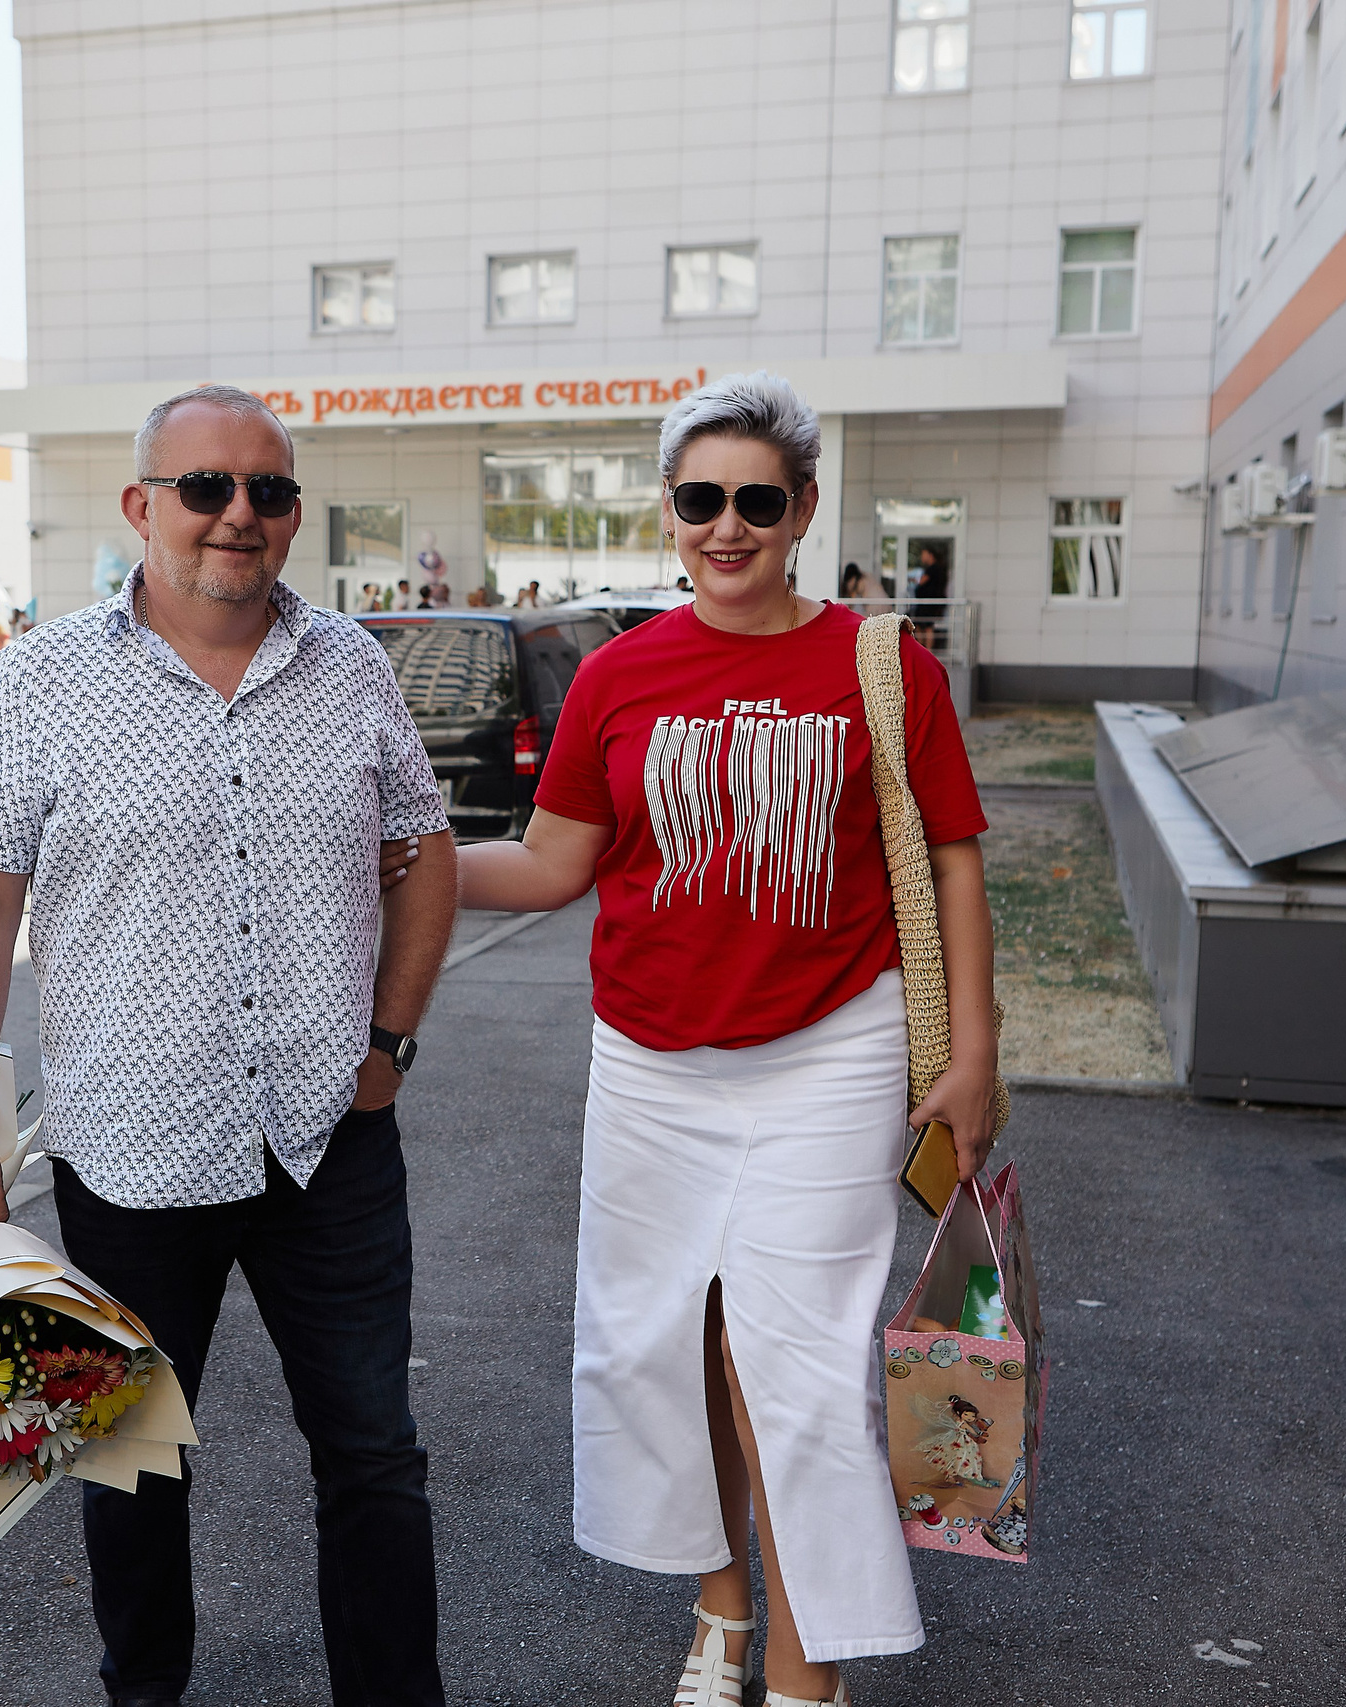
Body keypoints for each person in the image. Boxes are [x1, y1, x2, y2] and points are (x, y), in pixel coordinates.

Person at [0, 384, 460, 1707]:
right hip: (131, 1151)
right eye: (206, 486)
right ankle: (144, 1689)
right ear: (141, 503)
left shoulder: (353, 667)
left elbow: (424, 851)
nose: (237, 516)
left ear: (293, 516)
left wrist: (390, 1036)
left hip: (330, 1139)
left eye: (268, 492)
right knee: (133, 1451)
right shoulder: (41, 678)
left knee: (374, 1454)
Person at [455, 372, 997, 1707]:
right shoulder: (620, 675)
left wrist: (972, 1048)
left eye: (760, 499)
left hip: (836, 1043)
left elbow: (954, 856)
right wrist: (399, 856)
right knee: (668, 1337)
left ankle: (810, 1671)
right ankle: (722, 1605)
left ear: (803, 507)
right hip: (649, 1057)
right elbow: (549, 863)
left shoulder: (882, 663)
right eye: (703, 498)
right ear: (670, 509)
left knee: (797, 1357)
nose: (728, 525)